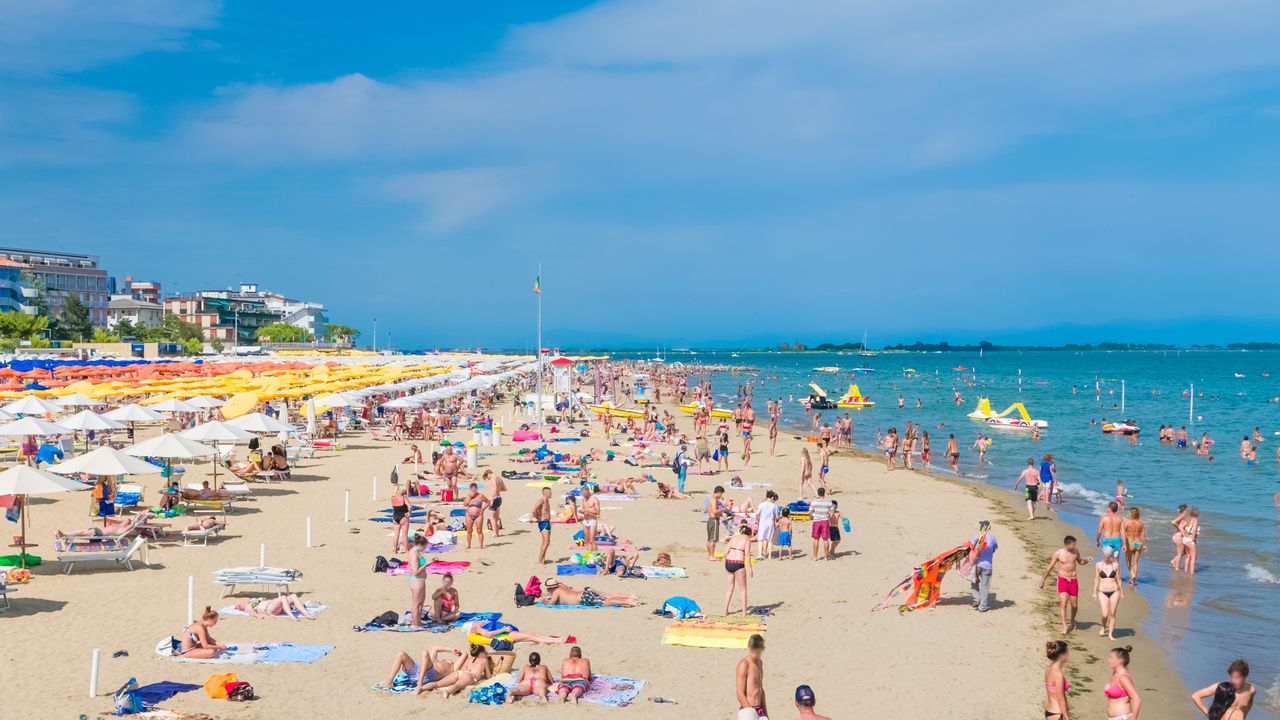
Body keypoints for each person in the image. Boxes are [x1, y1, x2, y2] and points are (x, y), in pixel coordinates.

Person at [1038, 535, 1092, 634]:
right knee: (1063, 603)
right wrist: (1043, 580)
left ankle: (1072, 621)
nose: (1075, 546)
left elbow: (1080, 562)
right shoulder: (1058, 553)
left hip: (1073, 580)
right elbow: (1050, 567)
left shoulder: (1076, 552)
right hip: (1062, 579)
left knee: (1074, 605)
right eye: (1073, 544)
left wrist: (1087, 561)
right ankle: (1064, 626)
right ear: (1067, 544)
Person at [419, 644, 490, 698]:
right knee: (457, 685)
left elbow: (463, 667)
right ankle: (447, 691)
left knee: (437, 683)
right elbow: (488, 676)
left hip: (459, 673)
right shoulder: (484, 660)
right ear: (482, 653)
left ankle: (421, 688)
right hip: (470, 675)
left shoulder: (469, 659)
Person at [374, 645, 457, 692]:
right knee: (401, 654)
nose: (446, 659)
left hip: (429, 675)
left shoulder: (453, 668)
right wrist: (451, 650)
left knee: (424, 653)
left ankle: (419, 684)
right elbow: (435, 648)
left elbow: (464, 657)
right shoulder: (434, 660)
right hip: (418, 671)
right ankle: (388, 682)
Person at [1103, 646, 1141, 720]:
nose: (1108, 660)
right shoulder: (1115, 674)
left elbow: (1137, 699)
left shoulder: (1123, 678)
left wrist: (1133, 718)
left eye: (1111, 658)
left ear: (1120, 660)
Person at [723, 524, 754, 615]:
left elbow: (725, 552)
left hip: (728, 562)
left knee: (729, 589)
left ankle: (725, 611)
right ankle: (744, 612)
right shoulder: (747, 539)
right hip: (738, 563)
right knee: (743, 589)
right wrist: (750, 568)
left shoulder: (734, 538)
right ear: (749, 534)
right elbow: (747, 554)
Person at [1095, 546, 1124, 640]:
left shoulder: (1116, 565)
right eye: (1106, 556)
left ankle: (1110, 634)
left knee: (1113, 613)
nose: (1107, 558)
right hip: (1102, 591)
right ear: (1103, 555)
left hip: (1115, 591)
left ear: (1111, 555)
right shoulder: (1098, 565)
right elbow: (1096, 579)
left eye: (1109, 556)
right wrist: (1094, 592)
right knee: (1104, 614)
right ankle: (1103, 626)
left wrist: (1122, 592)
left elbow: (1119, 579)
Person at [542, 578, 638, 607]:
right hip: (584, 593)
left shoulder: (556, 591)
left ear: (551, 588)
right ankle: (627, 599)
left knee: (605, 602)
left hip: (583, 598)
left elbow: (551, 604)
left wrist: (543, 601)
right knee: (607, 598)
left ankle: (627, 601)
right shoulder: (562, 586)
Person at [735, 634, 767, 720]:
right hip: (747, 709)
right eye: (753, 651)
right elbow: (740, 694)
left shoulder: (760, 663)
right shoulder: (744, 664)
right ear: (749, 648)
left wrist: (765, 713)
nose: (755, 654)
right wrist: (752, 713)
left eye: (757, 651)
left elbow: (760, 690)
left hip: (760, 709)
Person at [969, 520, 997, 612]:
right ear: (989, 528)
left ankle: (977, 599)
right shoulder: (992, 538)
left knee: (974, 581)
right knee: (985, 586)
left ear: (980, 528)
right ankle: (983, 606)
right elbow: (994, 548)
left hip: (976, 564)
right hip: (987, 565)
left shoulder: (976, 537)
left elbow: (970, 548)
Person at [1096, 501, 1126, 582]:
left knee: (1107, 559)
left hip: (1107, 541)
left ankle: (1108, 576)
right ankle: (1117, 577)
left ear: (1109, 508)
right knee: (1116, 560)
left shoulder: (1104, 518)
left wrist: (1098, 540)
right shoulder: (1120, 519)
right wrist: (1124, 544)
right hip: (1117, 541)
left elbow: (1099, 531)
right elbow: (1123, 532)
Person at [232, 593, 315, 621]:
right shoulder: (248, 607)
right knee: (283, 597)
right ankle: (292, 616)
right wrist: (259, 616)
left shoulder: (253, 602)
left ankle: (307, 615)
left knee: (293, 596)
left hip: (273, 606)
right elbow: (255, 614)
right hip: (268, 608)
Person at [1044, 640, 1071, 720]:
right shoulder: (1058, 674)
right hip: (1058, 713)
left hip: (1049, 711)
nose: (1068, 655)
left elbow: (1052, 689)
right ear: (1062, 655)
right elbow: (1060, 698)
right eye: (1067, 653)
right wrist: (1066, 717)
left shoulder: (1048, 669)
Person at [407, 534, 429, 628]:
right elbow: (415, 572)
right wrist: (426, 565)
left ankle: (418, 621)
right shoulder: (413, 553)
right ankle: (415, 624)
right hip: (416, 580)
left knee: (421, 603)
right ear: (422, 545)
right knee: (416, 603)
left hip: (420, 580)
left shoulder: (417, 552)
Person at [1122, 508, 1147, 587]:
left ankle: (1132, 575)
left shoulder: (1127, 523)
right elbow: (1143, 536)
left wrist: (1124, 544)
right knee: (1135, 562)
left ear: (1131, 513)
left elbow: (1123, 534)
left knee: (1128, 562)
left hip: (1130, 543)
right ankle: (1133, 581)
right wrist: (1145, 545)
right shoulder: (1141, 523)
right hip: (1138, 543)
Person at [809, 487, 833, 561]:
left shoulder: (814, 502)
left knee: (816, 539)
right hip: (825, 521)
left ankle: (815, 556)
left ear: (818, 493)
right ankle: (826, 557)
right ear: (824, 493)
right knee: (825, 539)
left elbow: (810, 512)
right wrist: (828, 516)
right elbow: (832, 512)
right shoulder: (829, 502)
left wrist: (812, 517)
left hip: (816, 521)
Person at [531, 486, 552, 565]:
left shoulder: (547, 501)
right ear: (546, 493)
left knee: (546, 542)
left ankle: (542, 559)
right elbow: (533, 510)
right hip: (543, 523)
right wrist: (538, 518)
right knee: (546, 542)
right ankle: (540, 560)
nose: (551, 494)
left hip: (547, 522)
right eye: (550, 492)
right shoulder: (542, 500)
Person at [756, 491, 779, 559]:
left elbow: (757, 513)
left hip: (763, 523)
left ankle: (760, 554)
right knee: (769, 539)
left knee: (760, 539)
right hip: (770, 523)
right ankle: (769, 555)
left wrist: (758, 519)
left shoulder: (762, 504)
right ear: (772, 497)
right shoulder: (774, 505)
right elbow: (777, 517)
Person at [390, 484, 413, 554]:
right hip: (403, 516)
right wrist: (409, 512)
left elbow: (394, 506)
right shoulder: (404, 498)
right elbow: (410, 506)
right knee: (404, 535)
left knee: (396, 534)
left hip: (395, 517)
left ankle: (395, 550)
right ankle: (406, 550)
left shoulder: (392, 498)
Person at [707, 485, 727, 560]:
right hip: (713, 520)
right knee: (713, 539)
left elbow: (713, 511)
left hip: (710, 520)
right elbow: (715, 511)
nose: (721, 496)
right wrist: (723, 509)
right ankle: (711, 556)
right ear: (719, 492)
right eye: (721, 494)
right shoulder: (714, 499)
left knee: (709, 539)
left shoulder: (711, 499)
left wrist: (721, 514)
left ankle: (710, 555)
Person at [485, 469, 507, 537]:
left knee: (492, 517)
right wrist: (498, 490)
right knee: (497, 517)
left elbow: (494, 488)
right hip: (499, 498)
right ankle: (497, 533)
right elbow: (504, 488)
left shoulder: (493, 479)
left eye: (487, 477)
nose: (488, 479)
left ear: (488, 474)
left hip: (494, 498)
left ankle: (495, 533)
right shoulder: (499, 478)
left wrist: (492, 499)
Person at [1180, 506, 1201, 574]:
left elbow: (1181, 527)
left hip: (1185, 539)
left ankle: (1186, 570)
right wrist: (1193, 538)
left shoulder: (1188, 520)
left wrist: (1185, 534)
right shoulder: (1195, 520)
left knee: (1188, 556)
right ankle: (1191, 572)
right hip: (1190, 540)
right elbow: (1194, 529)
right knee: (1193, 557)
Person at [581, 485, 601, 553]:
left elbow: (598, 512)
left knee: (592, 540)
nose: (583, 496)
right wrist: (583, 511)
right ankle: (589, 555)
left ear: (588, 492)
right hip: (585, 521)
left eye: (584, 494)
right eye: (582, 494)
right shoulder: (584, 499)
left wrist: (588, 510)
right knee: (586, 540)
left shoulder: (594, 499)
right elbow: (584, 509)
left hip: (592, 521)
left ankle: (595, 555)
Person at [1170, 504, 1189, 569]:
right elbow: (1173, 522)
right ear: (1185, 510)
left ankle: (1174, 561)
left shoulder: (1182, 515)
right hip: (1178, 536)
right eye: (1187, 509)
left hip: (1177, 536)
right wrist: (1179, 528)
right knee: (1180, 553)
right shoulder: (1183, 515)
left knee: (1184, 552)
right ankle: (1177, 568)